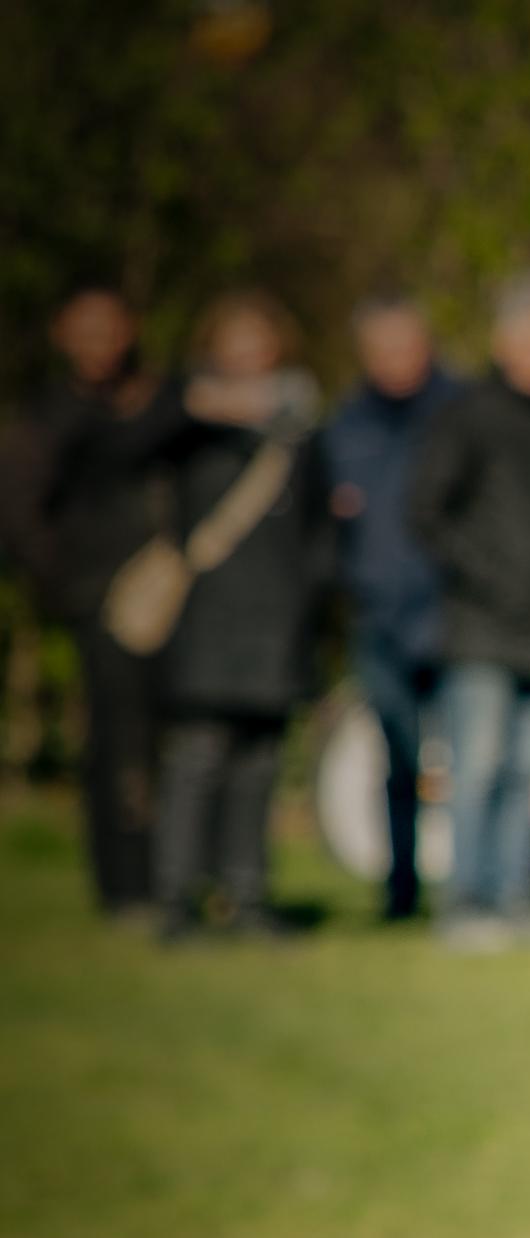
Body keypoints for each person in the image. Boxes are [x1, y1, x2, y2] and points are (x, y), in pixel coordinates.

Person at [410, 271, 530, 951]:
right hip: (481, 626)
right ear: (504, 342)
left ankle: (517, 899)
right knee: (478, 766)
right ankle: (466, 903)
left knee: (524, 773)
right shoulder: (468, 416)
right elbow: (426, 513)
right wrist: (493, 580)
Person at [151, 291, 332, 940]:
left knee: (259, 763)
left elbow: (318, 525)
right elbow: (138, 437)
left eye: (260, 342)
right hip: (209, 617)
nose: (251, 356)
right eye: (237, 343)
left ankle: (247, 895)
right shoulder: (186, 419)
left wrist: (313, 597)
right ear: (213, 349)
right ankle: (177, 898)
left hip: (278, 618)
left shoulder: (300, 428)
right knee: (197, 758)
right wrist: (210, 405)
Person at [24, 287, 186, 916]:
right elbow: (23, 514)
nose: (100, 345)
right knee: (119, 743)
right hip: (101, 601)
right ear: (62, 336)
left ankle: (174, 874)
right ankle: (125, 885)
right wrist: (69, 585)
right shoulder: (52, 416)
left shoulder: (159, 399)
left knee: (172, 739)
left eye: (110, 329)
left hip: (171, 594)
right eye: (86, 331)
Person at [320, 293, 460, 922]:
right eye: (382, 348)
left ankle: (469, 891)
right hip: (378, 616)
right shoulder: (345, 426)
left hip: (456, 611)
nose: (395, 359)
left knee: (467, 762)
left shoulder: (461, 414)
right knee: (397, 759)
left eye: (405, 344)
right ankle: (401, 890)